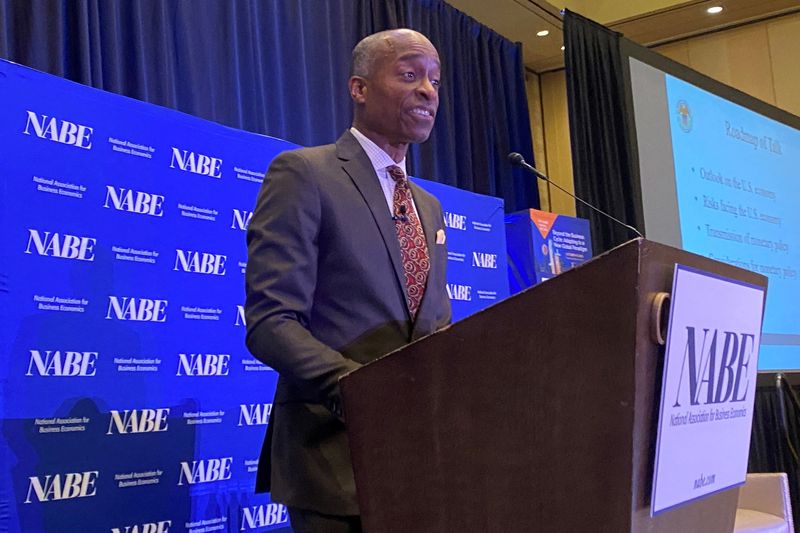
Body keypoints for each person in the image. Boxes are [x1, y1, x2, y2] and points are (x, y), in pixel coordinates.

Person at [245, 28, 452, 532]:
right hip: (333, 459)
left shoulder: (428, 206)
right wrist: (362, 393)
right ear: (359, 88)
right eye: (409, 74)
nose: (428, 90)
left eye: (435, 79)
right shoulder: (304, 174)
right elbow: (272, 322)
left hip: (427, 464)